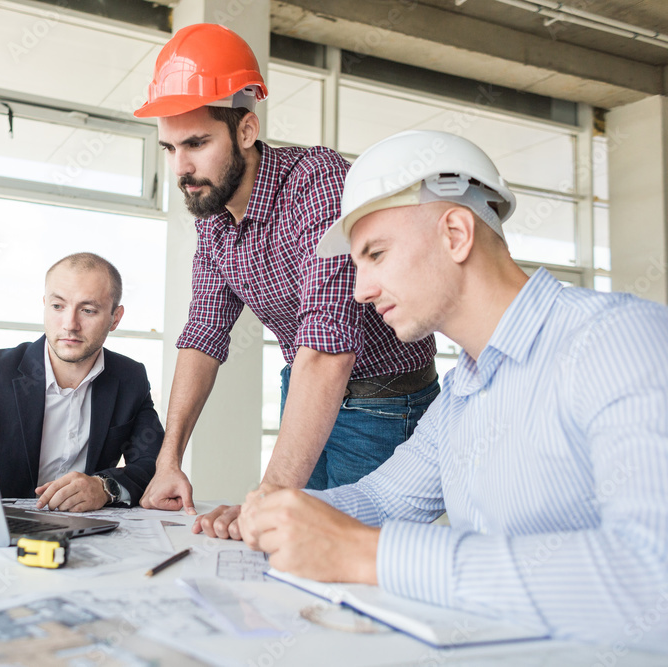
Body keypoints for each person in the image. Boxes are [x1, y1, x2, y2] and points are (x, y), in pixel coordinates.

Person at [238, 129, 668, 650]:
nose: (360, 290)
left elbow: (652, 578)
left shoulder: (617, 341)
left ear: (456, 234)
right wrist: (280, 515)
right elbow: (382, 498)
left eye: (376, 253)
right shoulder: (462, 392)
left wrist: (366, 555)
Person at [133, 23, 438, 536]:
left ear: (246, 131)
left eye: (196, 143)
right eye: (168, 148)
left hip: (382, 404)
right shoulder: (212, 219)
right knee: (292, 552)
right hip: (304, 389)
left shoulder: (316, 183)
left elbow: (328, 342)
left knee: (350, 566)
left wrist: (267, 497)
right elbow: (202, 335)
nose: (181, 168)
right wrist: (169, 460)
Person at [0, 252, 164, 512]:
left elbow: (153, 464)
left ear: (115, 318)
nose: (70, 325)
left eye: (88, 310)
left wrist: (104, 487)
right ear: (45, 305)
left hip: (85, 531)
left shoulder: (130, 378)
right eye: (58, 307)